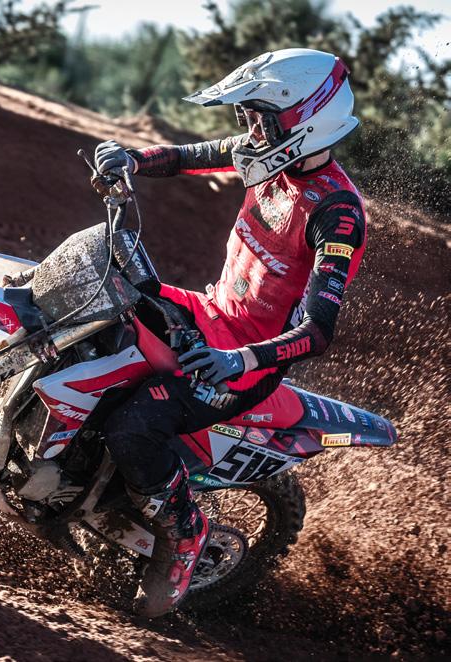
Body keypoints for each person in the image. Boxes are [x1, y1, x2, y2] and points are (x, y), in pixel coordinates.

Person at [94, 48, 367, 617]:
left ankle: (184, 532)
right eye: (248, 116)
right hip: (205, 312)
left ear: (306, 119)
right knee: (97, 308)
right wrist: (131, 160)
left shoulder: (336, 212)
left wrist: (239, 361)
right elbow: (193, 155)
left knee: (134, 427)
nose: (249, 129)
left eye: (260, 117)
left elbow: (318, 331)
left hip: (244, 363)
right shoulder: (266, 157)